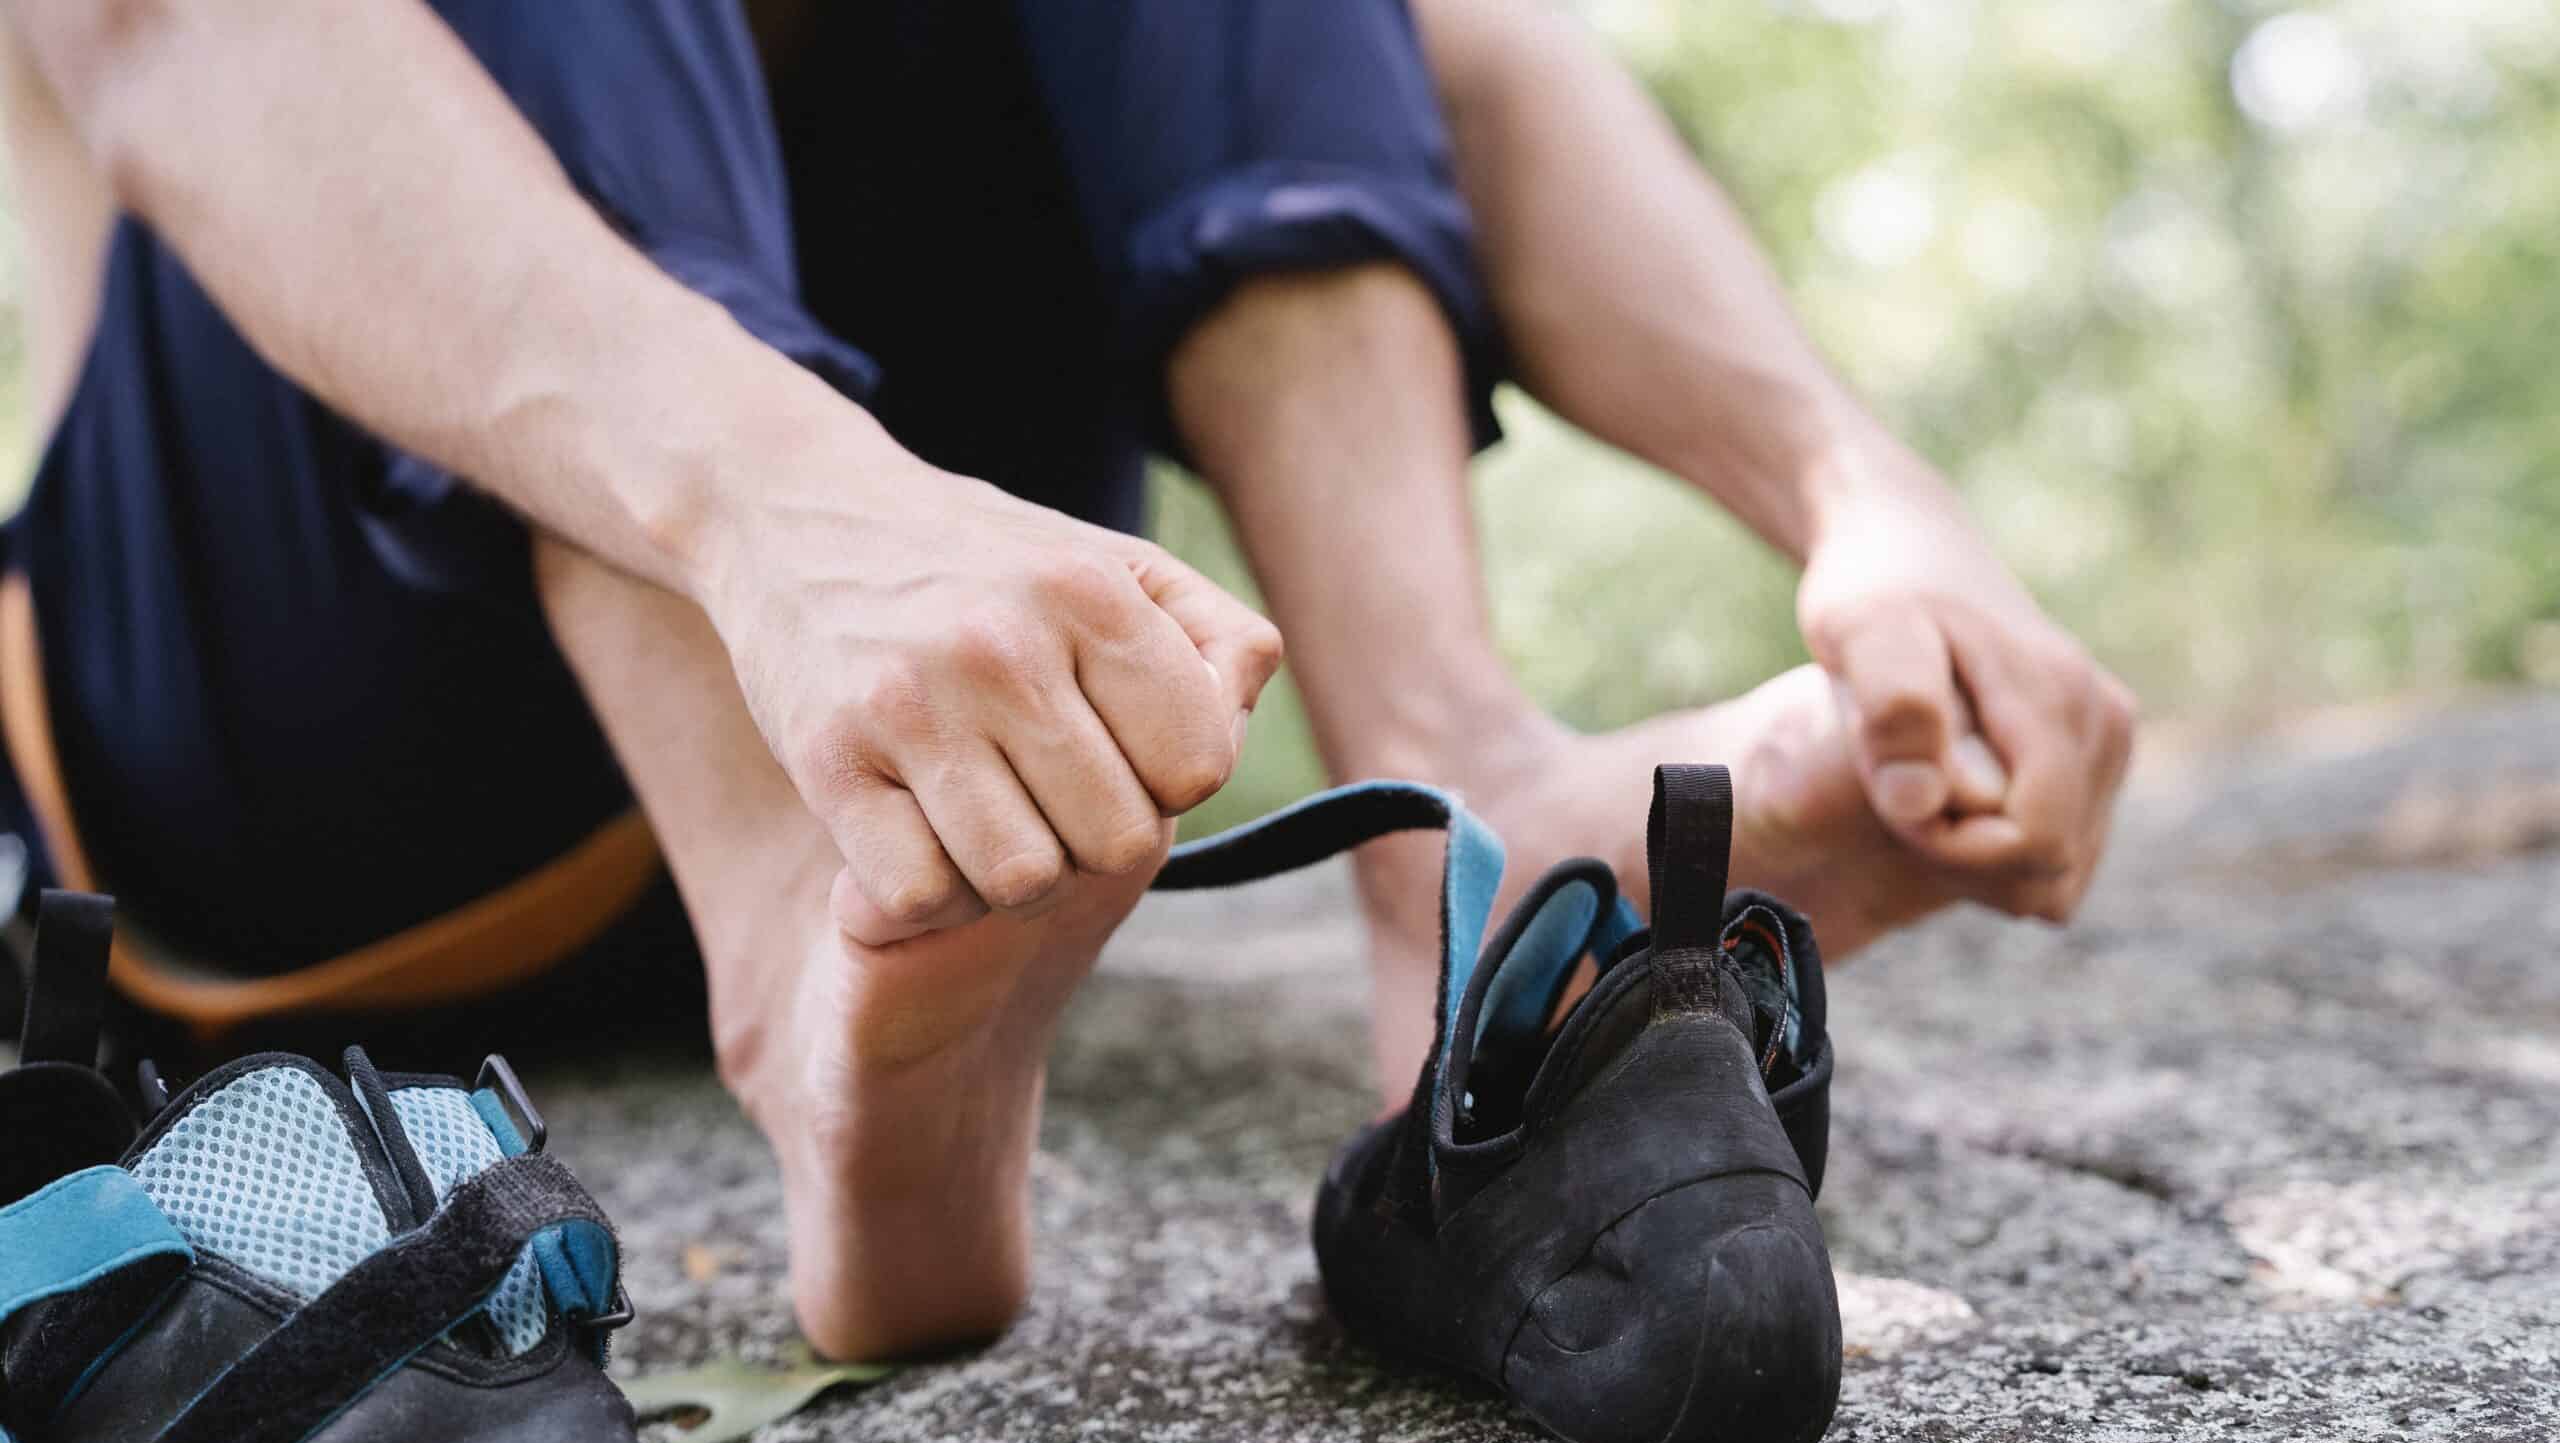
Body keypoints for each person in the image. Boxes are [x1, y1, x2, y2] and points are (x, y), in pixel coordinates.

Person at [0, 0, 2132, 1363]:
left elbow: (1454, 58)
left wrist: (1858, 494)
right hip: (314, 742)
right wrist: (774, 494)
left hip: (931, 713)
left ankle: (1457, 809)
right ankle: (792, 950)